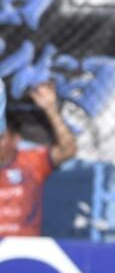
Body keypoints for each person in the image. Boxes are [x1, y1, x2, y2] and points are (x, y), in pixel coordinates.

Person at [0, 82, 78, 237]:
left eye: (1, 137)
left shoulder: (32, 161)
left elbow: (68, 149)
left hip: (25, 247)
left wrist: (51, 109)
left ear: (16, 139)